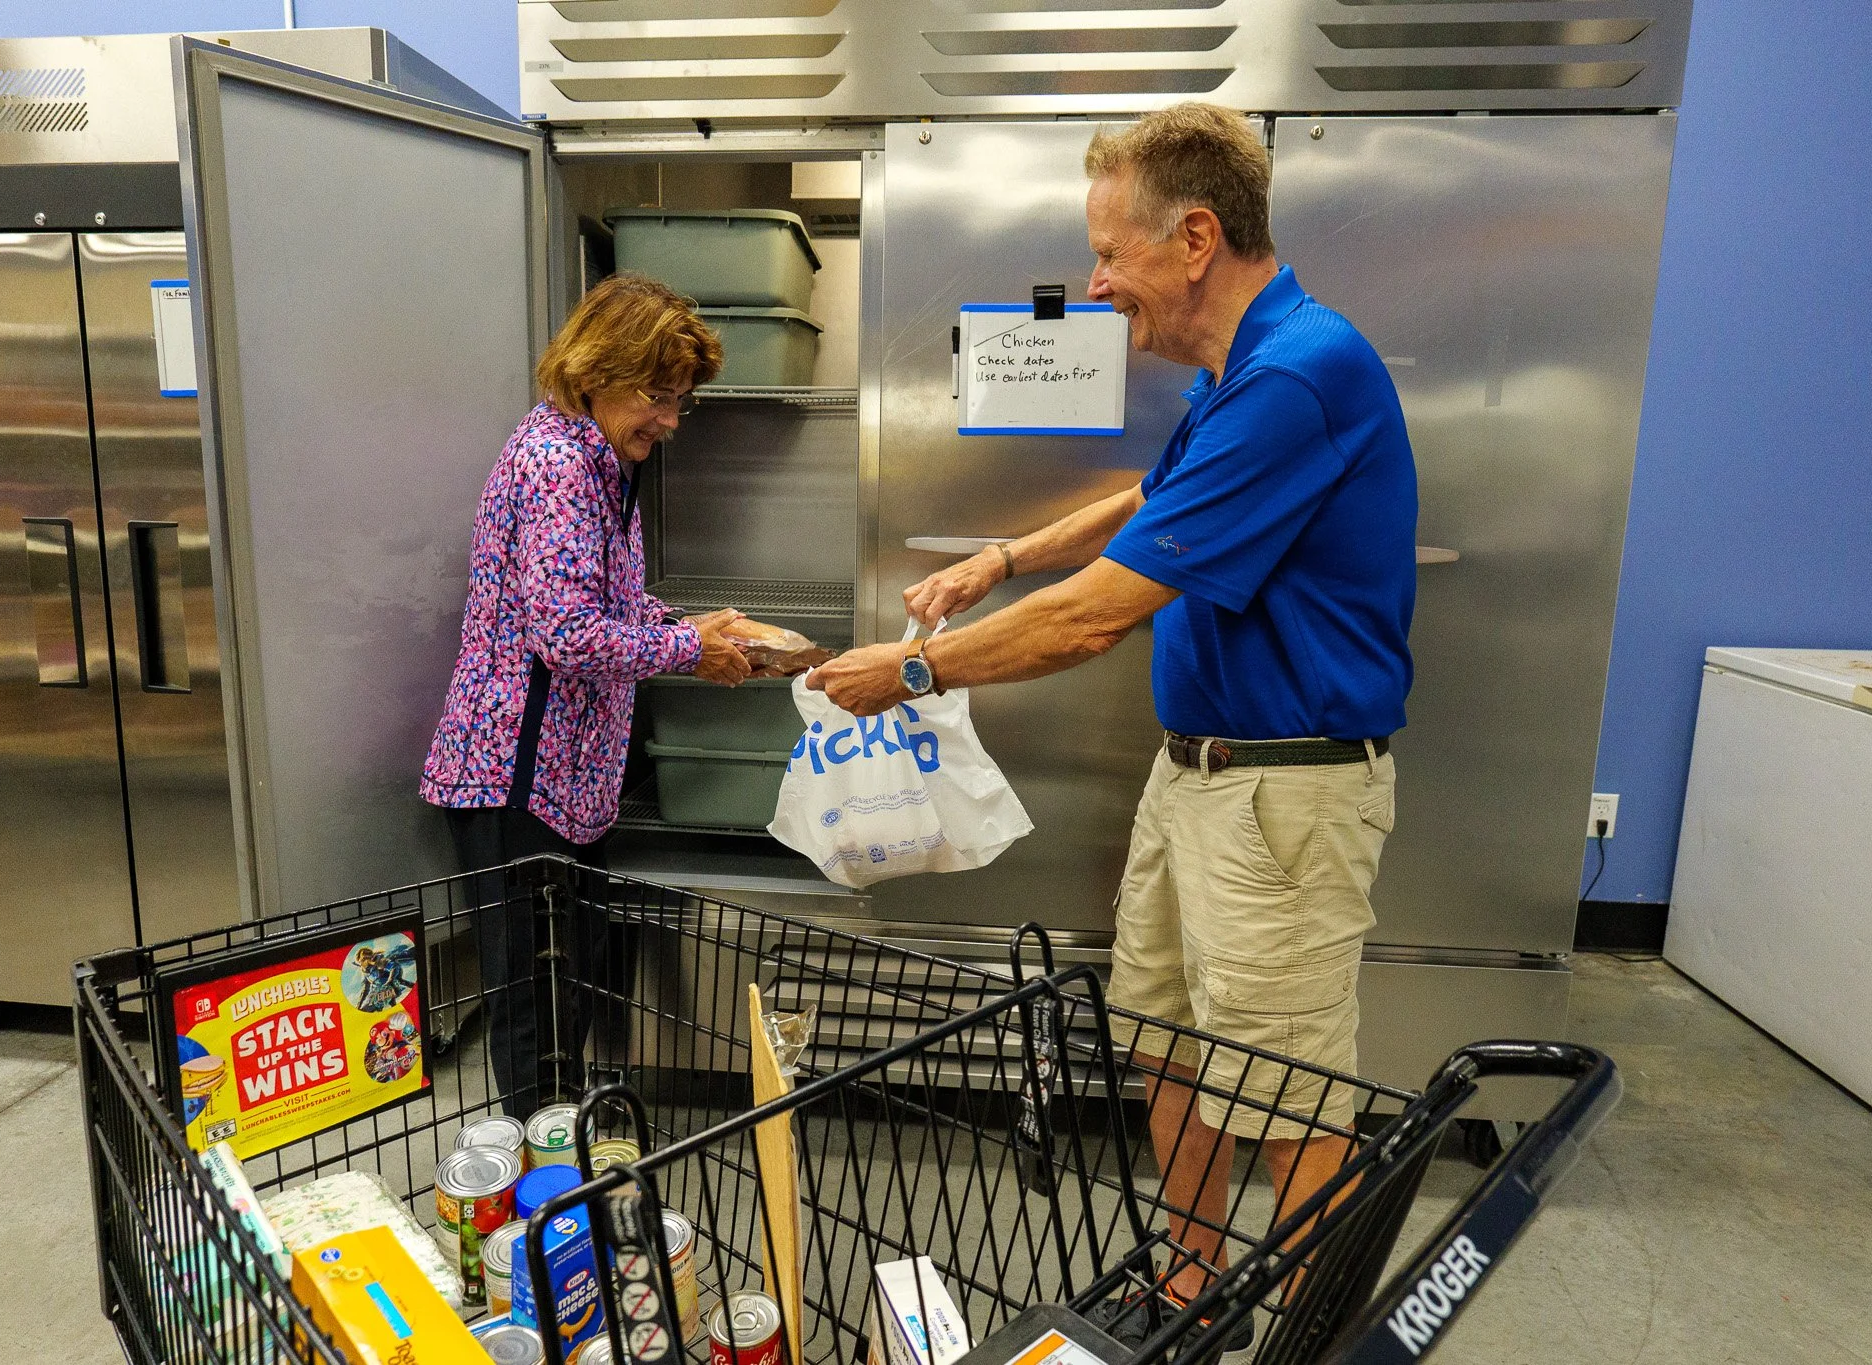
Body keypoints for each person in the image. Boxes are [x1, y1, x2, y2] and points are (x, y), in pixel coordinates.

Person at [808, 103, 1416, 1312]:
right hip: (1196, 775)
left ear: (1195, 237)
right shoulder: (1242, 369)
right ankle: (1191, 1283)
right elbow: (1153, 492)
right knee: (1167, 1049)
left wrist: (914, 672)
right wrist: (1003, 556)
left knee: (1284, 1095)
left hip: (1281, 799)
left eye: (1109, 252)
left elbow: (1098, 617)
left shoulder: (1300, 370)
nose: (1095, 284)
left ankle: (1314, 1337)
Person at [421, 274, 751, 1113]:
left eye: (681, 401)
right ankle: (547, 1182)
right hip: (514, 776)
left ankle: (563, 1144)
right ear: (599, 369)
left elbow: (609, 601)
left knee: (567, 982)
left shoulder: (604, 461)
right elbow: (563, 634)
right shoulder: (559, 463)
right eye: (658, 396)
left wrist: (693, 628)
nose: (670, 421)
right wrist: (686, 646)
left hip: (567, 781)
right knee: (532, 1002)